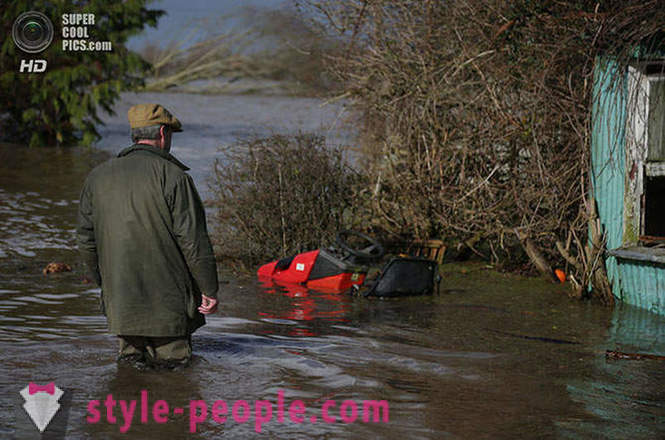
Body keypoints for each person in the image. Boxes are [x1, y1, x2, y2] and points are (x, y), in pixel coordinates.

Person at [77, 103, 219, 367]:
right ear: (163, 133)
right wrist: (209, 289)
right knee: (174, 378)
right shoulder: (175, 178)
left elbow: (86, 240)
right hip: (168, 305)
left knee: (127, 373)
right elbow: (193, 241)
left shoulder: (97, 177)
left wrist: (104, 283)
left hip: (121, 301)